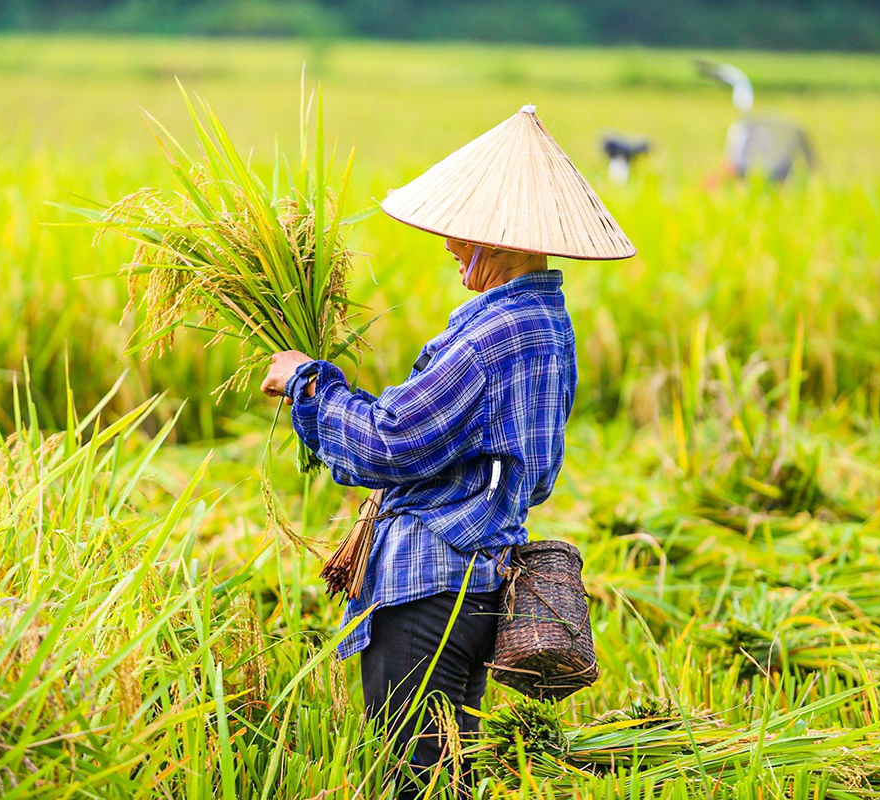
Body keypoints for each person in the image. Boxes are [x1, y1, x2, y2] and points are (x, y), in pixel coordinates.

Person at [260, 105, 635, 797]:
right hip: (479, 584)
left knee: (414, 780)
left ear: (505, 236)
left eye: (463, 232)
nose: (449, 245)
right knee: (447, 777)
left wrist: (306, 383)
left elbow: (388, 442)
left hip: (432, 588)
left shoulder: (492, 337)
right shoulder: (546, 324)